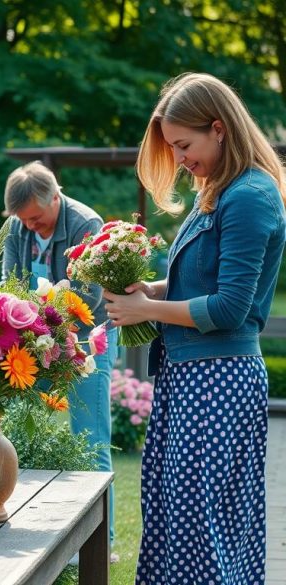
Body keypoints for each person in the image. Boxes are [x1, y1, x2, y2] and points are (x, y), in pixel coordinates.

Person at [104, 72, 285, 584]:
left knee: (200, 529)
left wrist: (147, 312)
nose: (180, 159)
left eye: (184, 145)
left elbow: (229, 308)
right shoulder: (219, 193)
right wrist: (151, 291)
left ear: (219, 127)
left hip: (220, 380)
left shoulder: (250, 195)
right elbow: (198, 284)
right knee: (176, 521)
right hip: (191, 378)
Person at [1, 160, 120, 554]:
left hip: (87, 342)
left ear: (55, 196)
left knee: (90, 440)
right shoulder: (19, 227)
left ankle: (102, 543)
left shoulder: (87, 223)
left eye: (36, 218)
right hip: (36, 341)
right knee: (21, 431)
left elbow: (88, 296)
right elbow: (9, 285)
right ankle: (33, 532)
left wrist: (34, 311)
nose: (31, 226)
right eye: (24, 220)